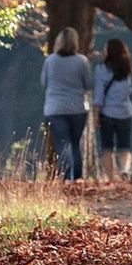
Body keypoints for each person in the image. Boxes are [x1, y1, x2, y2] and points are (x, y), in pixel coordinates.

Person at [42, 26, 93, 181]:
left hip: (55, 108)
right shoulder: (81, 61)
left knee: (63, 144)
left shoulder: (50, 60)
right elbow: (89, 84)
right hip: (77, 108)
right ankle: (77, 178)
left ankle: (66, 176)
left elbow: (44, 81)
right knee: (75, 144)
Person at [94, 37, 132, 181]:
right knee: (125, 146)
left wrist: (96, 114)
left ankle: (111, 178)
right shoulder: (128, 68)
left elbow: (99, 94)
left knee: (107, 147)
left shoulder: (101, 69)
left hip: (107, 113)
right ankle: (124, 170)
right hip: (125, 112)